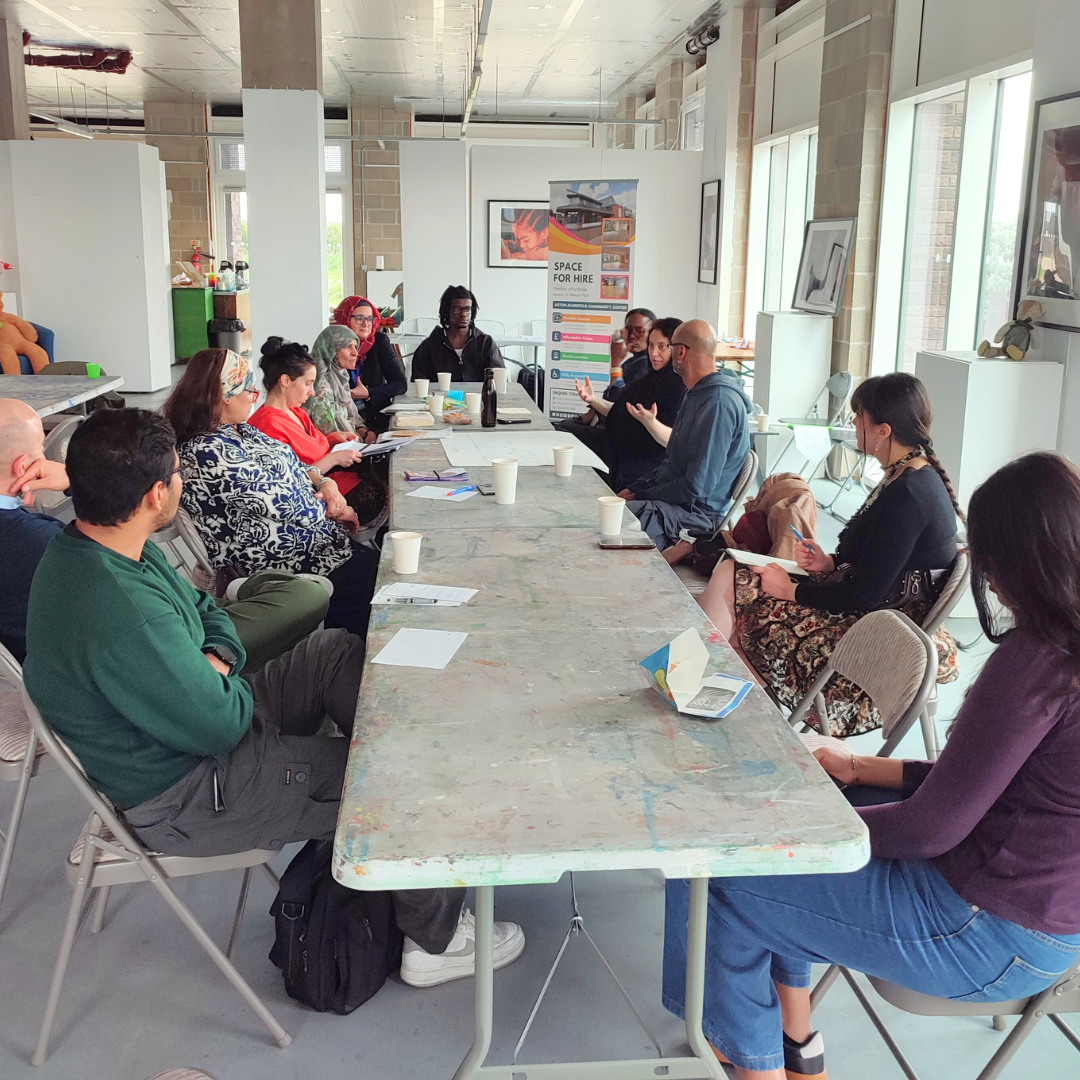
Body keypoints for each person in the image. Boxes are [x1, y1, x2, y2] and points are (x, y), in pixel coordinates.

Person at [22, 408, 524, 987]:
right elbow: (221, 726)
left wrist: (219, 660)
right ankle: (435, 941)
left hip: (202, 726)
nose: (182, 485)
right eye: (178, 476)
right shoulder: (119, 608)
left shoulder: (108, 544)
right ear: (157, 493)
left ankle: (399, 797)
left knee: (333, 650)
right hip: (190, 791)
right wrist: (214, 677)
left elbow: (210, 610)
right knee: (395, 784)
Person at [663, 451, 1080, 1080]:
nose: (989, 583)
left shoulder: (1038, 663)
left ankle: (755, 1064)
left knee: (719, 868)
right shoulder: (1064, 651)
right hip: (1040, 920)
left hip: (983, 925)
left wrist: (810, 836)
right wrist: (858, 770)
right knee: (786, 824)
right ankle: (795, 1042)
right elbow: (993, 783)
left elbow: (931, 829)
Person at [699, 372, 959, 737]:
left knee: (737, 597)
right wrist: (829, 563)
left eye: (858, 416)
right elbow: (882, 559)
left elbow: (862, 596)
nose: (853, 423)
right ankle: (727, 710)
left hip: (872, 632)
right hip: (877, 615)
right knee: (733, 574)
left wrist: (790, 590)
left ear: (883, 430)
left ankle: (723, 707)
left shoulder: (908, 494)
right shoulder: (908, 474)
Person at [0, 398, 328, 673]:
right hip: (161, 647)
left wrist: (79, 480)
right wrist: (220, 657)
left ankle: (244, 595)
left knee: (284, 598)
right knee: (310, 597)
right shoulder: (43, 543)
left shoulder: (36, 537)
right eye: (40, 450)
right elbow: (221, 718)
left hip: (138, 634)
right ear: (22, 466)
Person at [163, 348, 378, 638]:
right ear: (226, 394)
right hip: (279, 564)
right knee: (379, 585)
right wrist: (340, 509)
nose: (255, 397)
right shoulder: (205, 452)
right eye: (249, 390)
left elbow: (300, 468)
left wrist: (327, 485)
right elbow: (284, 504)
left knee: (382, 575)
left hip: (317, 544)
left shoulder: (242, 431)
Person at [617, 319, 751, 552]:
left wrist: (641, 494)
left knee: (608, 526)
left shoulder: (717, 403)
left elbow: (696, 487)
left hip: (695, 517)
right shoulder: (696, 393)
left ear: (680, 352)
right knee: (605, 511)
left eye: (668, 348)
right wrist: (634, 489)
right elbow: (672, 463)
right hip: (676, 506)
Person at [573, 317, 686, 492]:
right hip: (614, 447)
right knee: (563, 433)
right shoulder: (652, 376)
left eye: (662, 346)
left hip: (635, 463)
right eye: (651, 345)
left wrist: (651, 423)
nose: (654, 353)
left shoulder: (679, 386)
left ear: (678, 349)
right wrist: (593, 400)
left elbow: (675, 442)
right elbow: (626, 412)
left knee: (567, 441)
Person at [555, 307, 655, 456]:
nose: (633, 335)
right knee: (561, 426)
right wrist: (591, 412)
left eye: (639, 330)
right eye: (629, 330)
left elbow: (619, 401)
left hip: (618, 438)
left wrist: (615, 361)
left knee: (562, 430)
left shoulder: (645, 364)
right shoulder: (632, 362)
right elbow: (611, 394)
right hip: (606, 427)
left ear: (651, 334)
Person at [330, 295, 408, 433]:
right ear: (346, 318)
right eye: (359, 318)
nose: (366, 324)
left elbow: (400, 383)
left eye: (370, 319)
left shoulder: (379, 342)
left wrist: (368, 393)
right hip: (342, 424)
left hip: (376, 419)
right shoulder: (331, 346)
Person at [410, 286, 504, 383]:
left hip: (478, 397)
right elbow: (419, 382)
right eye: (457, 309)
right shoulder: (429, 346)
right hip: (440, 397)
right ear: (447, 312)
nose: (463, 314)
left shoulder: (485, 344)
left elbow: (497, 380)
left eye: (467, 309)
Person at [304, 324, 374, 444]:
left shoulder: (339, 377)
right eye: (348, 347)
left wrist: (365, 432)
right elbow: (331, 432)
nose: (355, 353)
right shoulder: (320, 386)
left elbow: (350, 417)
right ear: (331, 349)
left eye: (355, 347)